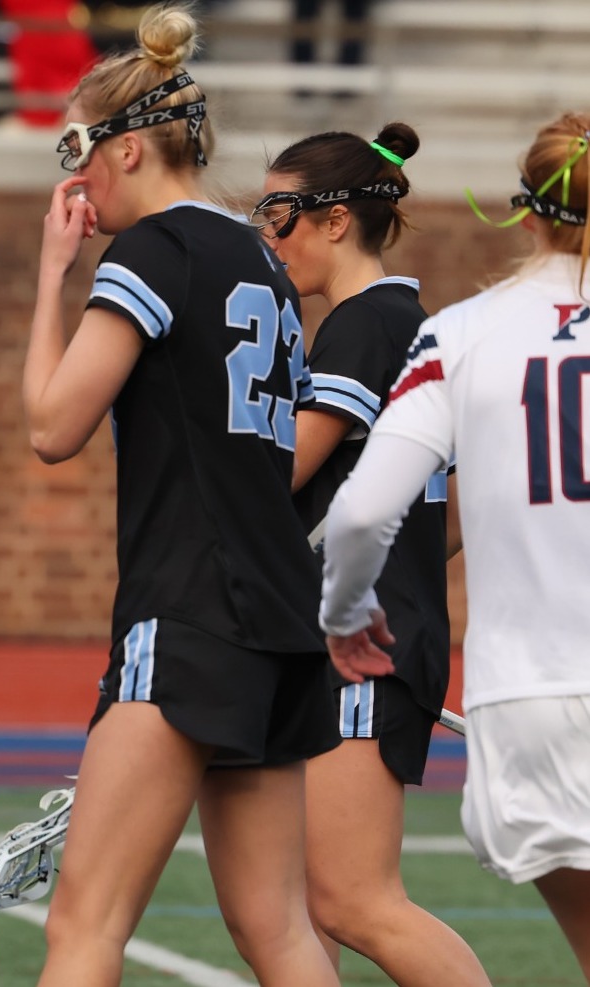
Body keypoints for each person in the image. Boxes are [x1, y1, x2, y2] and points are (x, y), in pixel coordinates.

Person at [20, 5, 342, 984]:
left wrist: (51, 278)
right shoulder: (263, 261)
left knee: (82, 927)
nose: (71, 173)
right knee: (278, 929)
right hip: (280, 613)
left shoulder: (155, 253)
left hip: (192, 612)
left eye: (76, 145)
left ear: (126, 147)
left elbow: (51, 427)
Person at [320, 110, 590, 983]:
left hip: (528, 702)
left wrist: (345, 614)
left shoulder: (463, 334)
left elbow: (361, 515)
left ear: (528, 209)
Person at [259, 123, 492, 986]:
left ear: (331, 220)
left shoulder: (365, 325)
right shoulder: (407, 322)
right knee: (283, 902)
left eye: (277, 213)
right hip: (369, 631)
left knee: (352, 899)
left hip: (361, 647)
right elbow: (456, 509)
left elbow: (275, 475)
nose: (267, 236)